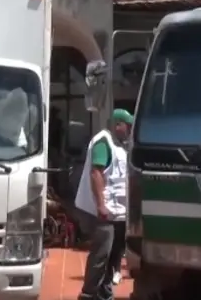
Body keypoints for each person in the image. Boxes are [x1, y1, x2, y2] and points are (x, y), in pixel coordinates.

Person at [75, 109, 134, 300]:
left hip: (120, 213)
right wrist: (101, 205)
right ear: (117, 125)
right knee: (101, 254)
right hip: (105, 213)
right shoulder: (103, 142)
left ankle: (104, 293)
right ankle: (89, 293)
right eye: (128, 126)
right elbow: (96, 173)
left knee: (114, 256)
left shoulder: (121, 146)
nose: (130, 130)